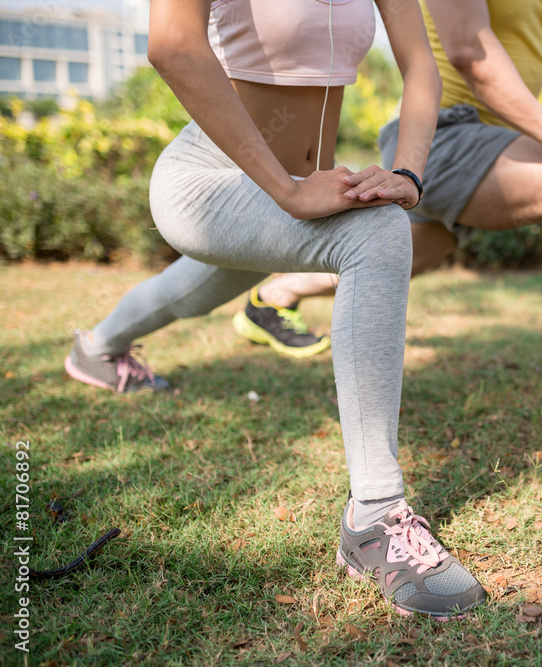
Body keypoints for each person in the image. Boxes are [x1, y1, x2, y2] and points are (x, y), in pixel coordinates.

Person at [64, 0, 484, 620]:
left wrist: (409, 174)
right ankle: (374, 516)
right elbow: (172, 45)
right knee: (377, 233)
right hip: (208, 182)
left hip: (287, 192)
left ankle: (96, 349)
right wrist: (286, 190)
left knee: (198, 289)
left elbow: (421, 63)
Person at [236, 0, 542, 454]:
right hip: (440, 136)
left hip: (498, 147)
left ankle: (274, 296)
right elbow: (467, 52)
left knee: (411, 251)